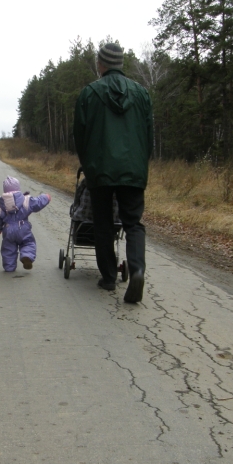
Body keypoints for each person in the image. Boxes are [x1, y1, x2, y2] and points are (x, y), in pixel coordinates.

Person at [73, 42, 153, 303]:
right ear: (121, 64)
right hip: (133, 169)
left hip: (100, 170)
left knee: (103, 223)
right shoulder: (141, 94)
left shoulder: (89, 93)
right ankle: (137, 270)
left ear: (101, 64)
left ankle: (108, 278)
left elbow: (80, 135)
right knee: (133, 223)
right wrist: (140, 164)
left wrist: (88, 165)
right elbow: (149, 135)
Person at [0, 176, 51, 272]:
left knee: (8, 248)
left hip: (8, 229)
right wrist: (46, 197)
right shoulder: (26, 200)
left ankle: (9, 267)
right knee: (28, 242)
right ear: (18, 188)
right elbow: (37, 203)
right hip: (23, 228)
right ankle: (27, 255)